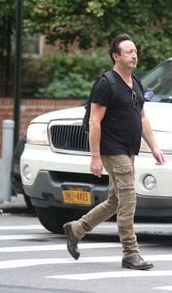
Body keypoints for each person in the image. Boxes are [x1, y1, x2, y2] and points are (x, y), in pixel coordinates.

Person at [63, 33, 165, 270]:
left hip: (129, 149)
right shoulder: (106, 83)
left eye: (135, 51)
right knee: (129, 197)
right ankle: (130, 252)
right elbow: (94, 122)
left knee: (115, 200)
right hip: (112, 149)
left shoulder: (136, 81)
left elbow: (142, 117)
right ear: (115, 56)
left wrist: (154, 147)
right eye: (129, 52)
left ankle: (77, 229)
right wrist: (95, 157)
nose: (134, 55)